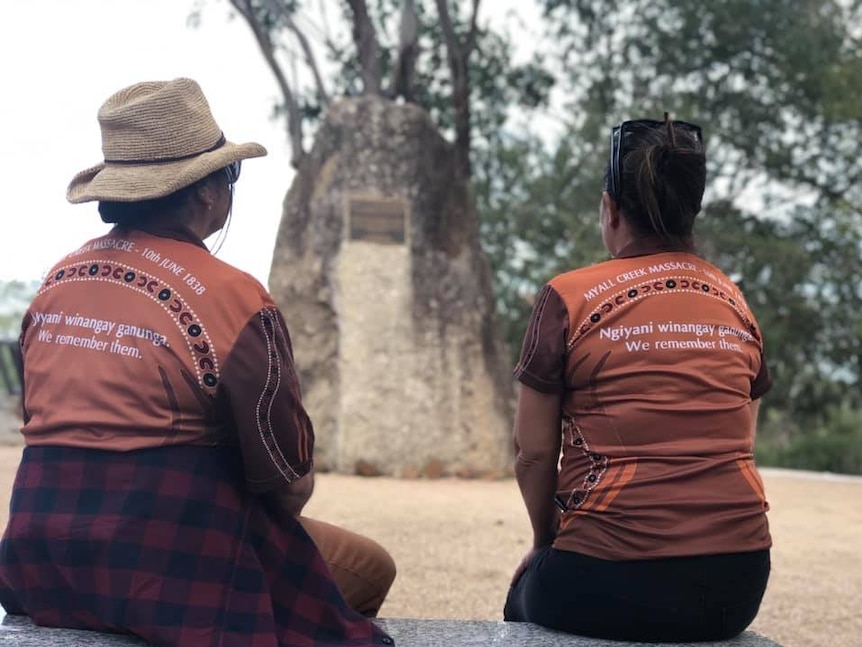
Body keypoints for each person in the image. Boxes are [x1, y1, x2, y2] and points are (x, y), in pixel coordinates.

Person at [0, 78, 396, 647]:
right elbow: (286, 486)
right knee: (370, 567)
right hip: (170, 567)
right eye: (228, 173)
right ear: (208, 192)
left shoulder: (54, 286)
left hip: (40, 566)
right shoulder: (234, 299)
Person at [504, 115, 772, 642]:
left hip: (605, 576)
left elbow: (533, 453)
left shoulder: (568, 296)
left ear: (609, 210)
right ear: (691, 213)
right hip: (737, 585)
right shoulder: (734, 301)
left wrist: (545, 541)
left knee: (522, 601)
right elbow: (739, 438)